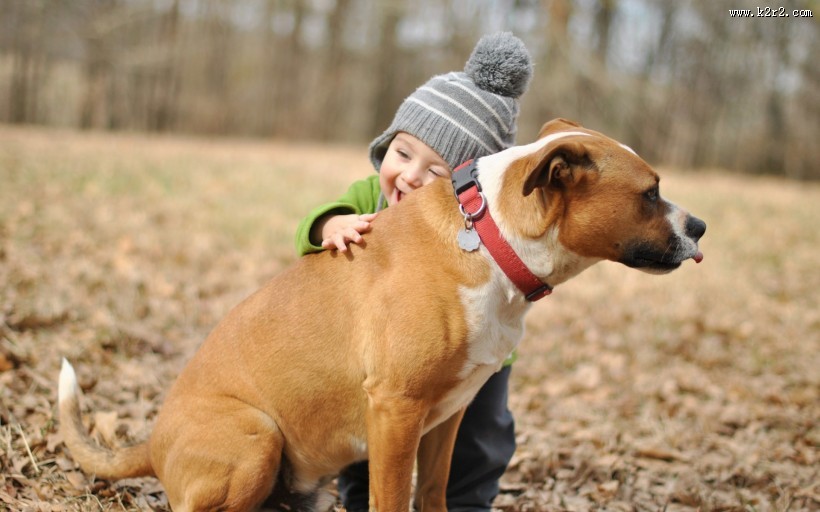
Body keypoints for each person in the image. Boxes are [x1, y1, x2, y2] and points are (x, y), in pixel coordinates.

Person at [294, 32, 533, 512]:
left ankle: (463, 503)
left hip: (472, 353)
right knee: (376, 433)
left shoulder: (476, 227)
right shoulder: (370, 199)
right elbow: (309, 230)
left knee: (480, 439)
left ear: (467, 187)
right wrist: (331, 224)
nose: (409, 176)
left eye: (437, 172)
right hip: (378, 355)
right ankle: (368, 500)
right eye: (403, 154)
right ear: (387, 146)